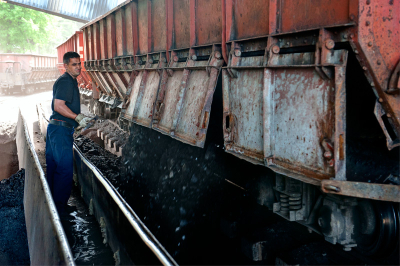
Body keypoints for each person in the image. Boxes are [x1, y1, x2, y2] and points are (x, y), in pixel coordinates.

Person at [46, 51, 91, 214]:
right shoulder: (66, 81)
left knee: (53, 166)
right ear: (65, 66)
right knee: (64, 168)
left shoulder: (70, 81)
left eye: (79, 64)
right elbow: (58, 106)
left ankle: (50, 204)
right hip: (60, 130)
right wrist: (77, 117)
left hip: (57, 127)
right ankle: (59, 209)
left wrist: (75, 122)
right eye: (74, 64)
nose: (78, 67)